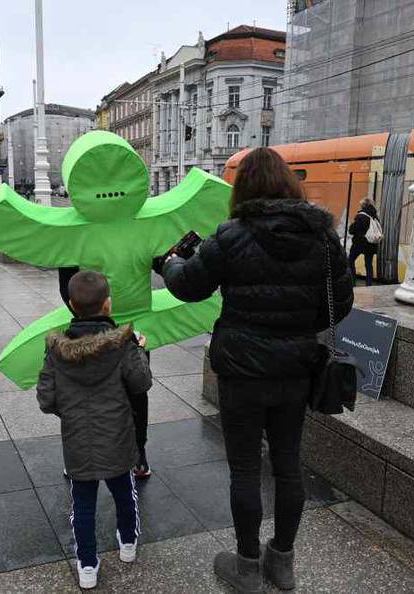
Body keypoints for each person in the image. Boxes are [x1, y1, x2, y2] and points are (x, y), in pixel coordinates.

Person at [161, 147, 353, 593]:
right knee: (288, 465)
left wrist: (170, 264)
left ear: (243, 188)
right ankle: (281, 562)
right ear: (289, 184)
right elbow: (339, 305)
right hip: (295, 372)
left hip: (242, 373)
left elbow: (188, 287)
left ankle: (247, 566)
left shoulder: (231, 236)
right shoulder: (323, 238)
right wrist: (298, 328)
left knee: (245, 469)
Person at [36, 270, 151, 590]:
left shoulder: (56, 351)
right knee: (125, 495)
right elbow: (141, 384)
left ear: (71, 305)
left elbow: (46, 400)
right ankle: (128, 545)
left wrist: (71, 412)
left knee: (82, 506)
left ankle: (87, 566)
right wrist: (139, 350)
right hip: (118, 438)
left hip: (78, 442)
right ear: (108, 306)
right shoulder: (123, 344)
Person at [57, 264, 158, 479]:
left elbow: (51, 397)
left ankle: (80, 458)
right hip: (129, 330)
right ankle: (136, 455)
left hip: (90, 330)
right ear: (108, 304)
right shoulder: (138, 229)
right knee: (135, 394)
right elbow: (141, 383)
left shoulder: (60, 348)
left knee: (82, 395)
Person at [347, 197, 380, 286]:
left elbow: (352, 230)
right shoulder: (374, 216)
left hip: (359, 243)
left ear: (363, 206)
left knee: (350, 260)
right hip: (371, 244)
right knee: (369, 264)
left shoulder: (361, 216)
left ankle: (352, 282)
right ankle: (369, 284)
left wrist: (352, 226)